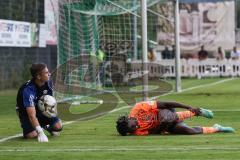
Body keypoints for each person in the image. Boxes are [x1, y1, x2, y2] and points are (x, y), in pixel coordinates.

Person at [116, 101, 235, 136]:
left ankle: (196, 112)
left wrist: (188, 107)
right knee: (189, 131)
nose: (136, 128)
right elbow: (154, 132)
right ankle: (217, 128)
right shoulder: (136, 132)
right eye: (131, 131)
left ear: (129, 118)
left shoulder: (139, 107)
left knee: (164, 118)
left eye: (133, 126)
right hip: (165, 126)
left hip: (167, 112)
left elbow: (166, 104)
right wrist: (162, 130)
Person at [16, 63, 62, 142]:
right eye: (46, 73)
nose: (49, 74)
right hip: (26, 112)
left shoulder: (49, 83)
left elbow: (49, 100)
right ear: (38, 76)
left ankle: (46, 127)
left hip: (40, 109)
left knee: (58, 127)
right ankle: (38, 128)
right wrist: (40, 132)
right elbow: (31, 115)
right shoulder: (28, 90)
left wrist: (51, 110)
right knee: (31, 135)